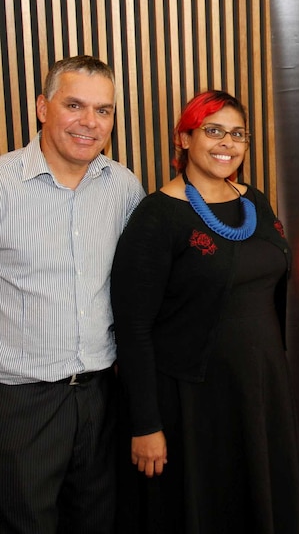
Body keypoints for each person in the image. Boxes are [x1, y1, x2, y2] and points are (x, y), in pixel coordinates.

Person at [111, 90, 299, 533]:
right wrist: (145, 424)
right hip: (192, 405)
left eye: (238, 134)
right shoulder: (156, 217)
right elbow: (132, 328)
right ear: (184, 139)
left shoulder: (254, 201)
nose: (227, 143)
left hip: (258, 392)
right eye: (213, 131)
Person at [0, 55, 145, 533]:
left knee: (100, 521)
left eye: (103, 111)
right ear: (43, 107)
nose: (90, 122)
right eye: (75, 105)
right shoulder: (2, 186)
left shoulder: (123, 188)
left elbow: (139, 289)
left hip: (102, 397)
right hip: (20, 402)